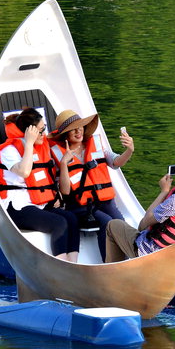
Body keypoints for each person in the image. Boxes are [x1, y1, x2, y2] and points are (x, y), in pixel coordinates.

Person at [0, 107, 80, 262]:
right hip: (16, 207)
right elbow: (25, 171)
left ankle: (74, 265)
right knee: (58, 223)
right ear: (29, 132)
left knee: (71, 219)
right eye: (40, 130)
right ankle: (63, 267)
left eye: (44, 128)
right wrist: (29, 143)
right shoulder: (9, 150)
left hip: (37, 203)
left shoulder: (42, 147)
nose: (44, 134)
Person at [48, 109, 134, 261]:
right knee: (107, 223)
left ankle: (128, 263)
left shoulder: (96, 145)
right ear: (65, 135)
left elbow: (116, 162)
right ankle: (109, 267)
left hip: (105, 201)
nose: (78, 131)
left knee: (121, 224)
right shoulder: (58, 155)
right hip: (80, 207)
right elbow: (65, 191)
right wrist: (63, 164)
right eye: (72, 129)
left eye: (80, 126)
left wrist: (129, 150)